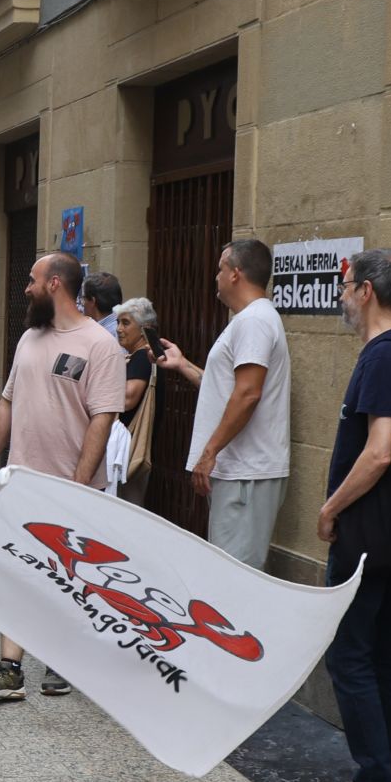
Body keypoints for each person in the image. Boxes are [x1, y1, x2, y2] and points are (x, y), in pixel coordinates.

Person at [0, 252, 123, 702]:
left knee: (70, 579)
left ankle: (64, 659)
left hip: (71, 487)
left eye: (33, 280)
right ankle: (9, 668)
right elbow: (7, 403)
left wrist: (77, 482)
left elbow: (103, 418)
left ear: (55, 284)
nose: (26, 288)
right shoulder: (29, 339)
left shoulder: (99, 345)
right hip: (22, 483)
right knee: (16, 572)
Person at [312, 249, 391, 782]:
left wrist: (332, 508)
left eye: (346, 286)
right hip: (387, 534)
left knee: (351, 656)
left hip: (363, 533)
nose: (341, 296)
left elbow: (378, 451)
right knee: (383, 653)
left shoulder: (383, 356)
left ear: (368, 292)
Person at [156, 238, 291, 570]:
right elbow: (229, 389)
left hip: (246, 474)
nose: (215, 277)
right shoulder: (248, 320)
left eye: (220, 269)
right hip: (240, 474)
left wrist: (209, 452)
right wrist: (183, 364)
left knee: (233, 577)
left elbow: (247, 394)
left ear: (235, 274)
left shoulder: (254, 321)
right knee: (227, 573)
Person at [111, 296, 160, 507]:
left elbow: (128, 399)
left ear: (143, 329)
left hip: (131, 450)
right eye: (118, 322)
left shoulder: (142, 357)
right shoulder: (136, 356)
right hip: (129, 449)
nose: (119, 329)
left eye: (126, 323)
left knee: (126, 508)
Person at [81, 271, 123, 338]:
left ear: (92, 301)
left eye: (83, 298)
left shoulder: (107, 335)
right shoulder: (120, 328)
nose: (82, 304)